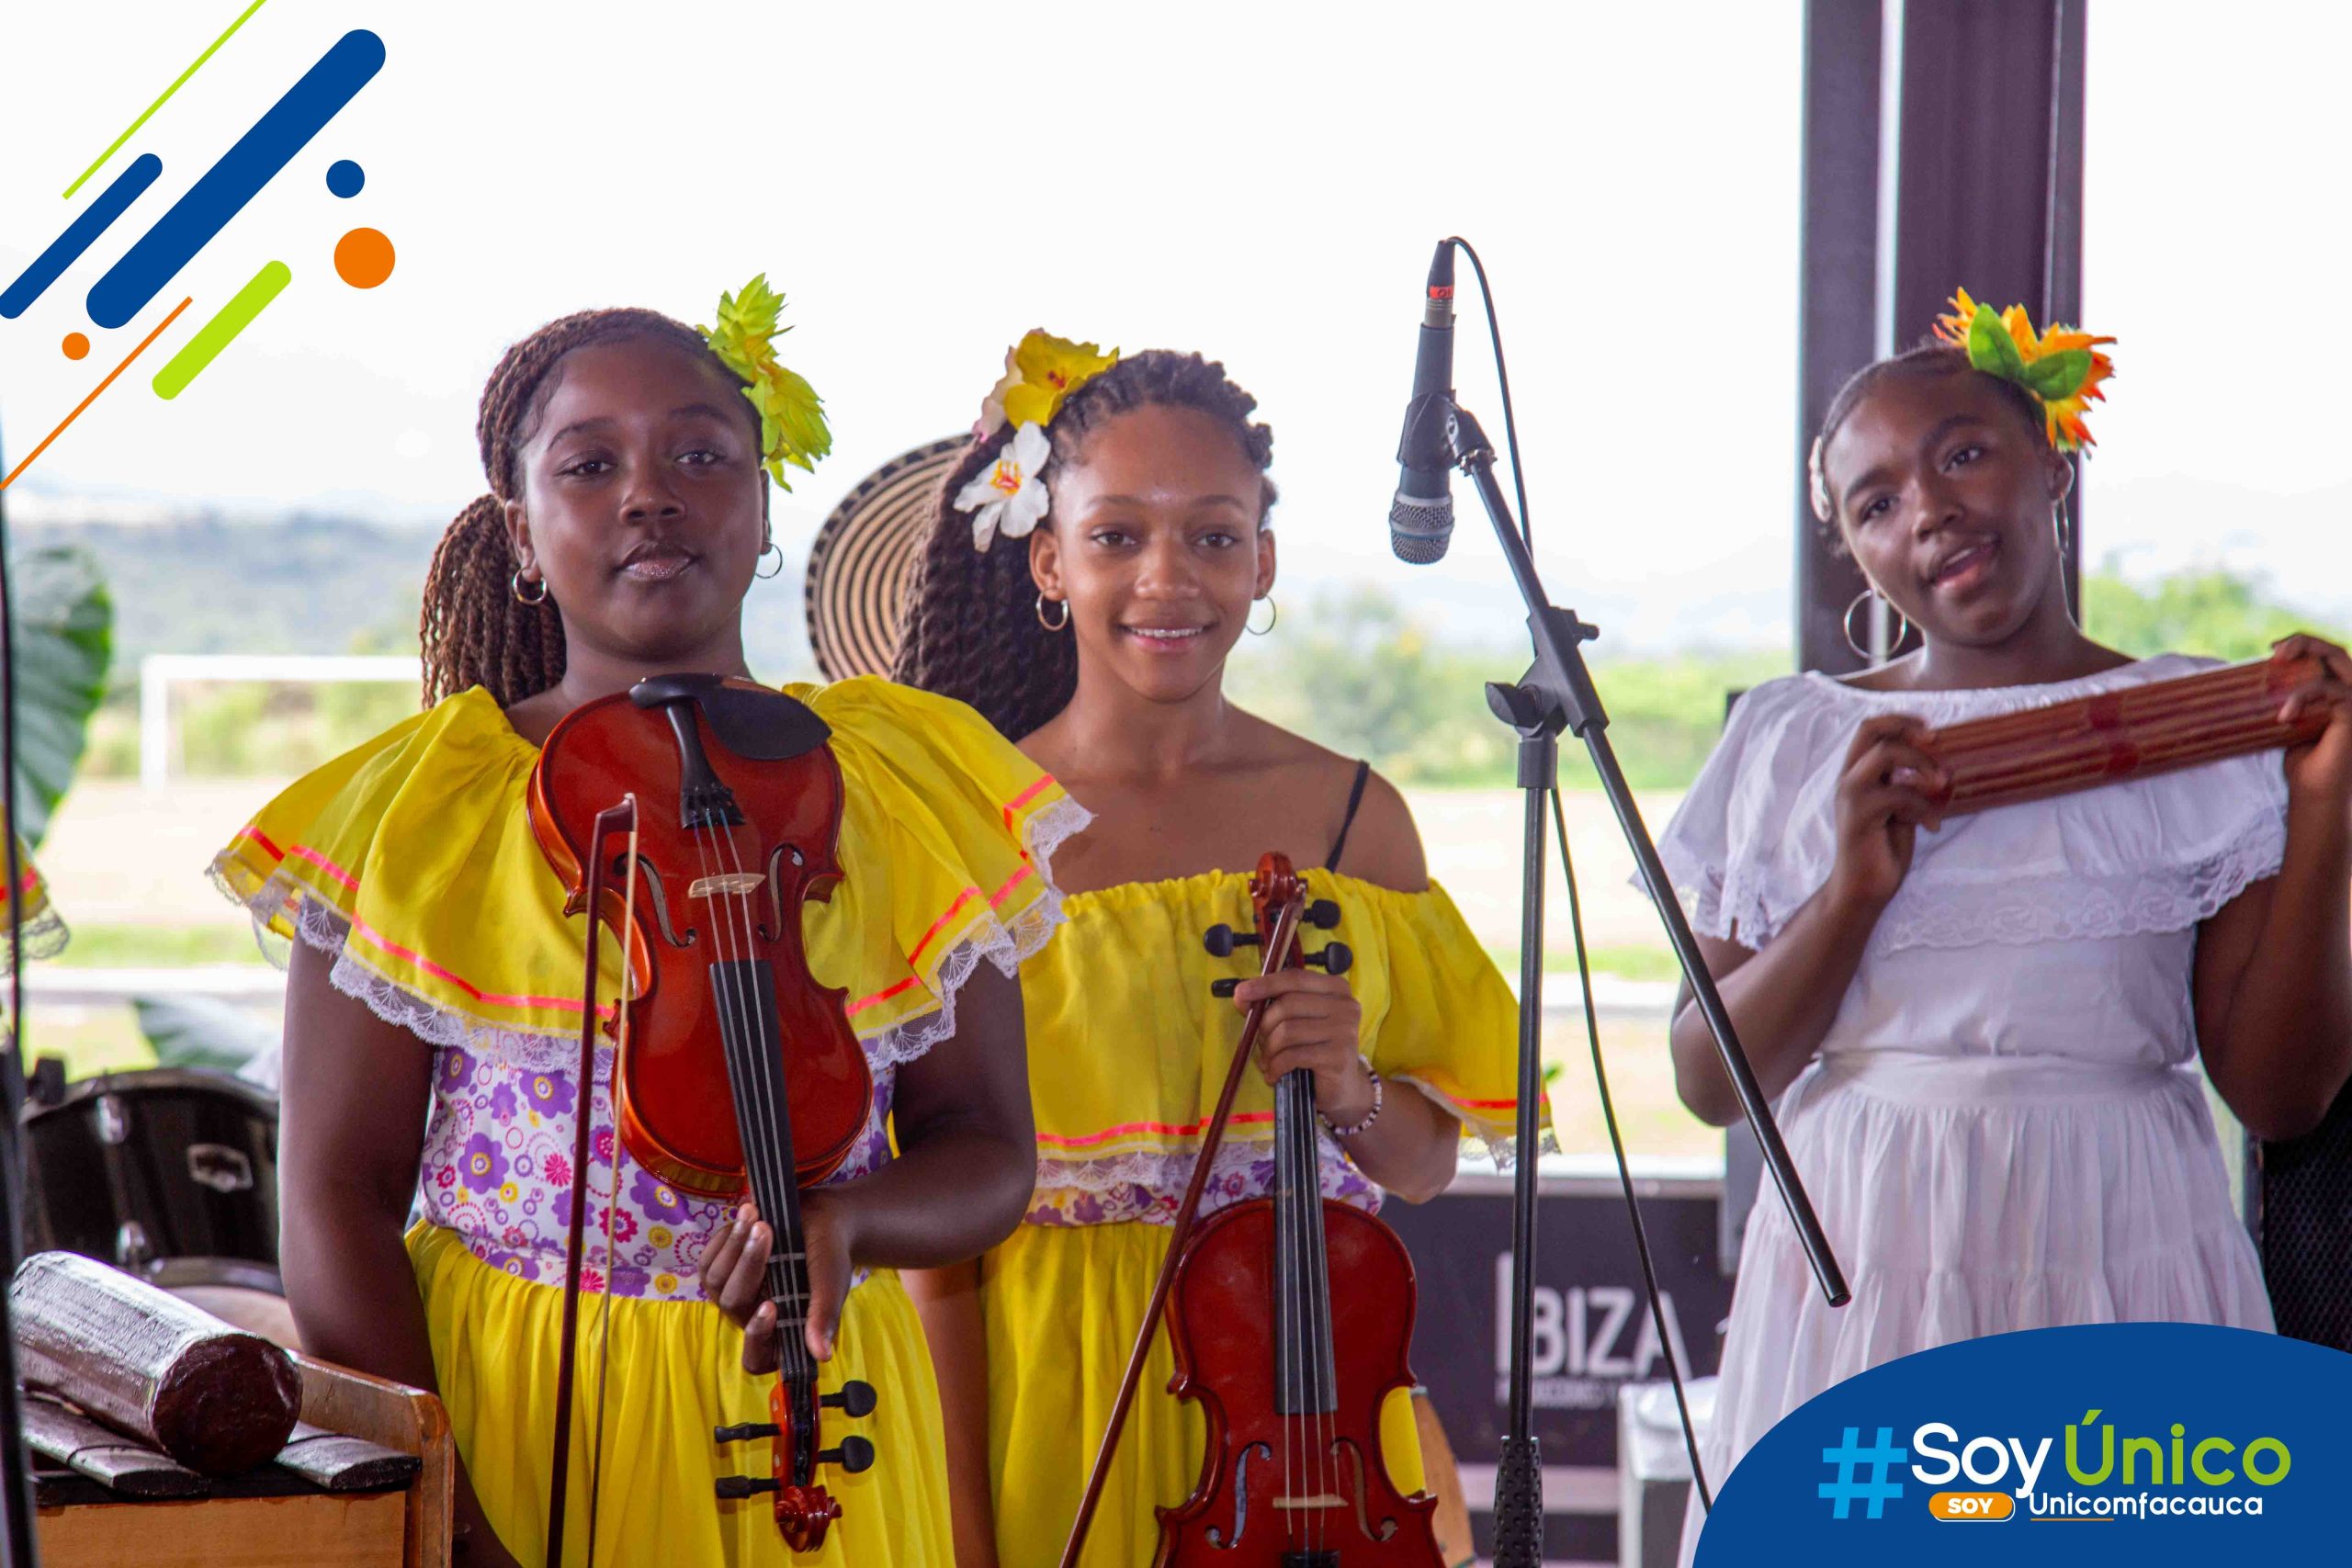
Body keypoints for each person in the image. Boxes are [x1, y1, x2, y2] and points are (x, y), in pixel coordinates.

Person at [209, 284, 1083, 1565]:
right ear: (520, 530)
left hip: (823, 1419)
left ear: (763, 501)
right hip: (517, 1421)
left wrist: (851, 1221)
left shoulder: (904, 781)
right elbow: (335, 1195)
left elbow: (988, 1148)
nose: (650, 493)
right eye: (590, 464)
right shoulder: (420, 810)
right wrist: (440, 1510)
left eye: (699, 453)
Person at [1658, 290, 2352, 1562]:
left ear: (2055, 462)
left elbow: (2282, 1096)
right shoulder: (1793, 739)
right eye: (1874, 503)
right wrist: (1854, 892)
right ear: (1856, 557)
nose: (1926, 508)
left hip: (2120, 1224)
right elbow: (1710, 1078)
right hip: (1871, 1243)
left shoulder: (2205, 728)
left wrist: (2323, 815)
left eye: (1964, 453)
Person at [889, 333, 1536, 1565]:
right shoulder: (964, 832)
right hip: (1054, 1410)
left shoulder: (1356, 819)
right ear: (1050, 558)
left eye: (1214, 535)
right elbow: (941, 1258)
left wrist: (1348, 1088)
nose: (1168, 579)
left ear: (1264, 561)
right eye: (1118, 535)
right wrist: (964, 1534)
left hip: (1302, 1419)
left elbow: (1423, 1168)